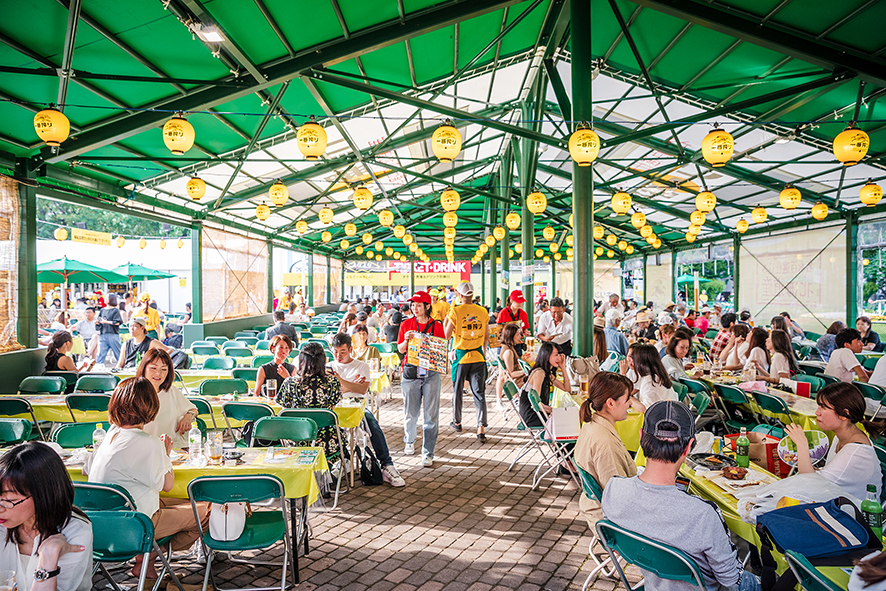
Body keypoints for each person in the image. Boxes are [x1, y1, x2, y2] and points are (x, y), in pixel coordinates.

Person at [602, 400, 761, 591]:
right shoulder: (703, 514)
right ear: (689, 446)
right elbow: (732, 580)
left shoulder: (613, 489)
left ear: (642, 435)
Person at [88, 377, 209, 579]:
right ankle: (149, 556)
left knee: (188, 503)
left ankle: (146, 565)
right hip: (135, 523)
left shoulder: (110, 434)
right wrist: (165, 453)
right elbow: (168, 484)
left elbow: (87, 468)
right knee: (208, 510)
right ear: (152, 406)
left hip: (100, 521)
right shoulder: (149, 443)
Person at [0, 442, 93, 591]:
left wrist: (48, 558)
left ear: (42, 496)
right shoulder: (4, 526)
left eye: (9, 501)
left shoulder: (75, 532)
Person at [330, 334, 406, 486]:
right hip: (335, 409)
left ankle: (387, 465)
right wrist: (351, 385)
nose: (338, 355)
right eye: (336, 351)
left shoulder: (361, 366)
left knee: (372, 424)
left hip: (358, 407)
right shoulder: (329, 366)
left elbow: (363, 388)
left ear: (350, 349)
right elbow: (331, 392)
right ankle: (339, 462)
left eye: (343, 351)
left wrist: (341, 382)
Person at [785, 383, 882, 500]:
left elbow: (809, 484)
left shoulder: (855, 452)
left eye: (823, 407)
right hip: (835, 502)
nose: (817, 412)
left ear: (845, 414)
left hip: (850, 513)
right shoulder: (841, 436)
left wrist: (802, 445)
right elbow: (825, 477)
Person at [574, 372, 637, 526]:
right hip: (612, 523)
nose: (630, 404)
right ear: (610, 403)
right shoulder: (605, 443)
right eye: (627, 399)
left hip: (598, 510)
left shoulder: (591, 425)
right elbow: (618, 500)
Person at [397, 291, 446, 465]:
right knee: (411, 411)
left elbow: (441, 351)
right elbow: (401, 349)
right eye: (413, 305)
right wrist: (405, 339)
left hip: (431, 374)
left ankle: (428, 452)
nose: (414, 308)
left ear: (427, 306)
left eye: (418, 305)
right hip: (410, 372)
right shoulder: (406, 324)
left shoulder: (437, 326)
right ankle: (409, 440)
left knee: (431, 414)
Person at [276, 343, 343, 459]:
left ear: (301, 360)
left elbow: (285, 413)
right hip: (327, 443)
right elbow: (331, 409)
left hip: (298, 441)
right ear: (323, 361)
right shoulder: (333, 382)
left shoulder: (290, 383)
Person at [444, 282, 491, 442]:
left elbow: (446, 335)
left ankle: (457, 422)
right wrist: (483, 353)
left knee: (457, 391)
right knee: (480, 394)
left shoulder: (456, 311)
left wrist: (447, 319)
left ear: (460, 295)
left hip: (461, 357)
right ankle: (481, 429)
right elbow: (486, 336)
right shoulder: (483, 311)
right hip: (478, 357)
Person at [137, 349, 198, 449]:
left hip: (172, 449)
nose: (158, 373)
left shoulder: (171, 391)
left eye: (164, 369)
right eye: (153, 368)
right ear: (144, 368)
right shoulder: (133, 393)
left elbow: (193, 409)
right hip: (142, 450)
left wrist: (189, 415)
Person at [518, 342, 571, 432]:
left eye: (559, 355)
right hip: (532, 416)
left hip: (536, 413)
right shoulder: (539, 373)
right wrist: (555, 411)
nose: (559, 358)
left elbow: (567, 389)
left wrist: (563, 367)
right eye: (556, 355)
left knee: (566, 418)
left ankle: (561, 445)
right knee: (567, 421)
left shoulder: (546, 372)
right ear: (546, 355)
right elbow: (537, 405)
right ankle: (561, 445)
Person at [623, 343, 677, 412]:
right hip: (663, 414)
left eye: (634, 358)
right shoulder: (649, 376)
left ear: (642, 361)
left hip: (663, 418)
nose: (630, 360)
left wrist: (626, 396)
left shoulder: (651, 381)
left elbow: (646, 409)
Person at [496, 324, 527, 412]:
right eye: (518, 334)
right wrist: (525, 372)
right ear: (512, 336)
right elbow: (511, 374)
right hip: (516, 381)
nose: (520, 337)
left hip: (515, 380)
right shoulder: (508, 352)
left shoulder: (507, 347)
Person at [497, 290, 531, 356]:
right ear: (511, 301)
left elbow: (524, 329)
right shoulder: (503, 313)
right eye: (518, 302)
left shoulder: (523, 314)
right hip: (504, 345)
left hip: (517, 344)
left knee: (517, 364)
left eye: (522, 302)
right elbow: (498, 330)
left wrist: (526, 332)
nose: (520, 304)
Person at [97, 294, 123, 366]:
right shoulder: (102, 310)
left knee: (118, 353)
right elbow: (99, 320)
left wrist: (105, 322)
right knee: (100, 354)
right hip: (103, 333)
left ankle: (122, 366)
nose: (105, 299)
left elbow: (117, 322)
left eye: (106, 298)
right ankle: (99, 368)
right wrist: (98, 322)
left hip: (112, 334)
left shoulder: (115, 310)